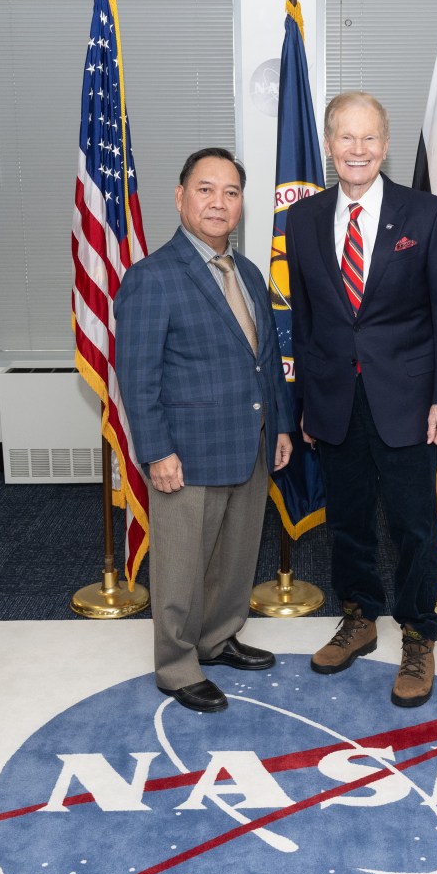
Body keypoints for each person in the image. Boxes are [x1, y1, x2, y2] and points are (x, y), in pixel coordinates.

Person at [286, 92, 437, 708]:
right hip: (336, 401)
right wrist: (307, 403)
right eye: (345, 138)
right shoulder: (303, 219)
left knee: (414, 525)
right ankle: (360, 618)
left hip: (410, 402)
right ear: (330, 145)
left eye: (369, 139)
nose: (357, 150)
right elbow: (305, 324)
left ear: (385, 146)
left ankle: (418, 636)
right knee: (349, 521)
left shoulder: (429, 215)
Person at [115, 148, 293, 714]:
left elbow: (265, 359)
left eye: (231, 192)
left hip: (250, 443)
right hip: (185, 453)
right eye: (206, 189)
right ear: (180, 197)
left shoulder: (247, 273)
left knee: (237, 557)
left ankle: (217, 639)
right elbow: (136, 377)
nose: (219, 203)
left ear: (242, 204)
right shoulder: (153, 278)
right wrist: (156, 450)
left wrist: (282, 426)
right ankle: (176, 664)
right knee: (182, 564)